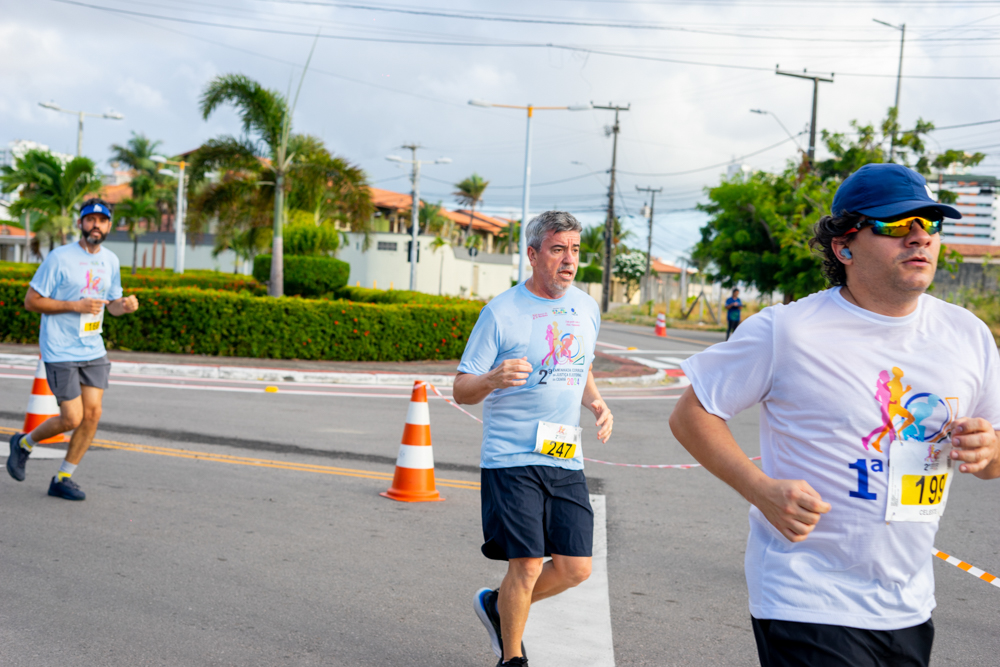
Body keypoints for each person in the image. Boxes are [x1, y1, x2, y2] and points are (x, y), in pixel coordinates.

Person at [669, 163, 1000, 667]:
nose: (919, 238)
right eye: (894, 225)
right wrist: (761, 489)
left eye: (929, 224)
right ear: (844, 247)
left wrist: (990, 450)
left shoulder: (967, 334)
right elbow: (692, 412)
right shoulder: (790, 330)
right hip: (806, 594)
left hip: (907, 602)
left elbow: (996, 456)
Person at [454, 211, 614, 667]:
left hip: (562, 452)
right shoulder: (501, 313)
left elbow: (578, 367)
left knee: (574, 568)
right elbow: (462, 390)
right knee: (525, 564)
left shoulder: (586, 307)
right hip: (510, 456)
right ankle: (511, 658)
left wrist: (598, 403)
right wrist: (492, 378)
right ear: (532, 254)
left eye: (576, 250)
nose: (569, 260)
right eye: (558, 249)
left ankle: (495, 606)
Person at [7, 198, 140, 500]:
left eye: (102, 220)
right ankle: (24, 443)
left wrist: (125, 306)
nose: (96, 225)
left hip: (93, 348)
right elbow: (31, 302)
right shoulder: (59, 258)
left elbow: (113, 306)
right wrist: (74, 305)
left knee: (92, 415)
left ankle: (63, 478)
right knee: (71, 418)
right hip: (60, 349)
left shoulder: (111, 261)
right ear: (80, 224)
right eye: (90, 219)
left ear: (109, 226)